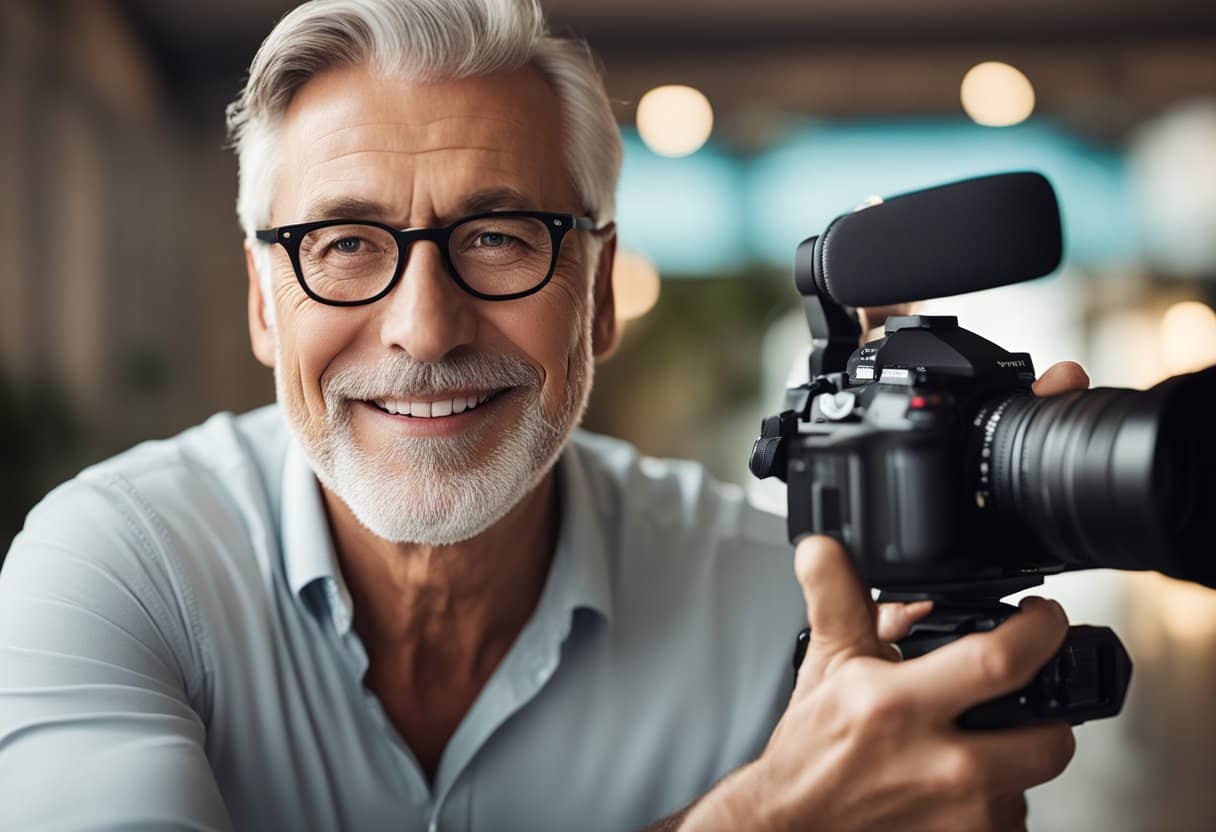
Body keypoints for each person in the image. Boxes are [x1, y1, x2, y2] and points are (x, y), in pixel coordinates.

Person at [0, 1, 1087, 829]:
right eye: (343, 246)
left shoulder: (786, 608)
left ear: (600, 293)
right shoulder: (114, 564)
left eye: (499, 237)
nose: (424, 329)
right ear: (260, 302)